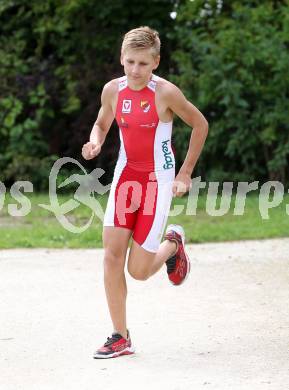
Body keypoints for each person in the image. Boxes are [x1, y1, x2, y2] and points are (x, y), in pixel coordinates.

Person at [82, 26, 208, 359]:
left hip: (158, 181)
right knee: (110, 257)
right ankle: (120, 336)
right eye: (129, 62)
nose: (135, 70)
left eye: (142, 63)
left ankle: (173, 243)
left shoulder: (165, 93)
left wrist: (185, 173)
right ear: (122, 59)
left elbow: (200, 124)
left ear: (156, 62)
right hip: (126, 178)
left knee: (137, 271)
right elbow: (101, 122)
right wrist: (95, 141)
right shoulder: (113, 90)